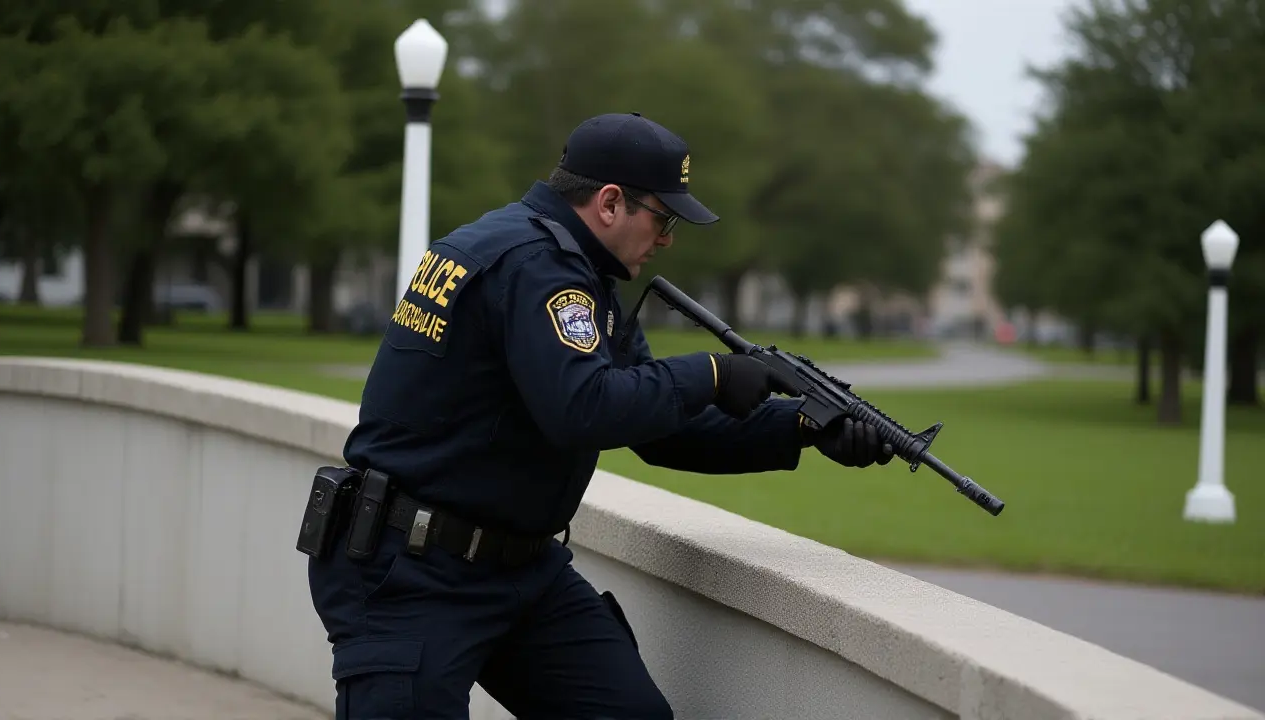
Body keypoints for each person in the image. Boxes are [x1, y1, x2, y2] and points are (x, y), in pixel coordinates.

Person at [304, 111, 894, 719]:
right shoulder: (536, 266)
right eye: (661, 218)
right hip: (413, 572)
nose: (666, 238)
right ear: (610, 203)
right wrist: (711, 374)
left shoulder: (573, 271)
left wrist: (799, 427)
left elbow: (652, 424)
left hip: (519, 570)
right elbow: (584, 410)